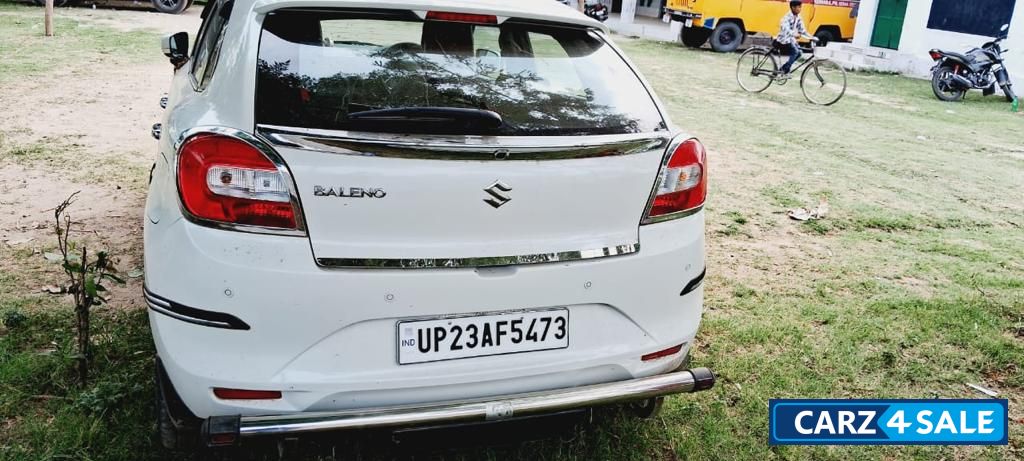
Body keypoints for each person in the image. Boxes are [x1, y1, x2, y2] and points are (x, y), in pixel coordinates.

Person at [776, 0, 817, 75]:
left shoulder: (798, 17)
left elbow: (802, 30)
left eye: (800, 7)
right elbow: (786, 29)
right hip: (783, 40)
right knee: (795, 51)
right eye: (799, 7)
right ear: (793, 7)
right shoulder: (786, 17)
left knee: (800, 53)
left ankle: (784, 68)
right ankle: (785, 69)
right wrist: (794, 34)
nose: (800, 9)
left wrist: (811, 37)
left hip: (790, 40)